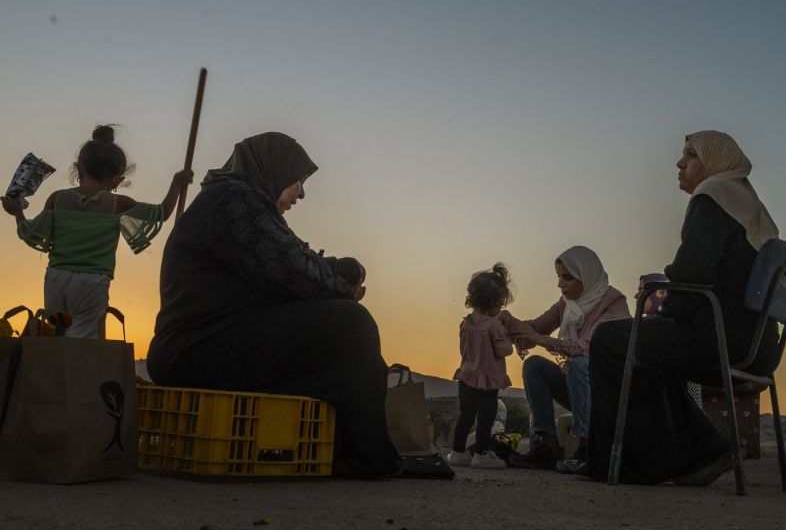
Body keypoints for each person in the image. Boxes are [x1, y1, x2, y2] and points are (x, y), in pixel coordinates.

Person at [146, 132, 399, 478]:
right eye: (299, 180)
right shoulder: (234, 199)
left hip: (207, 345)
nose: (302, 193)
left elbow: (294, 259)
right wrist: (345, 280)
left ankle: (345, 450)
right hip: (198, 349)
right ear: (275, 169)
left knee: (344, 338)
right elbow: (294, 272)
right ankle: (365, 457)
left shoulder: (238, 201)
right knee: (351, 324)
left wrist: (341, 274)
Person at [586, 130, 780, 486]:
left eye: (690, 154)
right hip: (759, 346)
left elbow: (692, 274)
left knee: (608, 341)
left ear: (715, 162)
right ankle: (701, 453)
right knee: (650, 352)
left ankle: (617, 464)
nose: (680, 162)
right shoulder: (748, 208)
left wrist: (665, 309)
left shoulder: (714, 196)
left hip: (720, 337)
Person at [0, 125, 193, 339]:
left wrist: (17, 212)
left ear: (78, 169)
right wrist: (177, 183)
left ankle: (55, 372)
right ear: (118, 178)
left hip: (56, 278)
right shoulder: (118, 204)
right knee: (85, 343)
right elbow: (162, 213)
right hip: (92, 282)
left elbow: (30, 234)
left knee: (56, 338)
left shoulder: (58, 199)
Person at [501, 246, 629, 473]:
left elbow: (588, 348)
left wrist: (538, 339)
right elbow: (538, 327)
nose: (561, 284)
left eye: (567, 277)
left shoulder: (614, 304)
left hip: (607, 394)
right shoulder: (567, 304)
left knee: (579, 363)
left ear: (586, 275)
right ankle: (547, 447)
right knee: (534, 366)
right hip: (578, 386)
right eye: (559, 277)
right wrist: (508, 323)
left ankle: (587, 447)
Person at [447, 263, 515, 470]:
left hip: (466, 377)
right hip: (487, 379)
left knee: (466, 417)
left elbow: (463, 349)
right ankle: (482, 454)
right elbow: (503, 351)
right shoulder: (494, 325)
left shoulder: (466, 323)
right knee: (486, 418)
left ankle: (457, 452)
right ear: (495, 302)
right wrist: (509, 340)